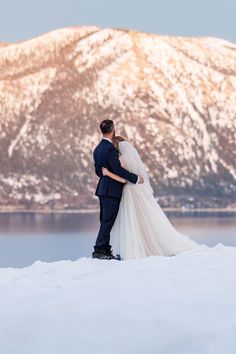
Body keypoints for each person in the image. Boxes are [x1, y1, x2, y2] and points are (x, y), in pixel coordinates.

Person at [102, 136, 201, 260]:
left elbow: (123, 179)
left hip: (129, 192)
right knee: (141, 221)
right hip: (136, 190)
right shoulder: (131, 159)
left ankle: (136, 248)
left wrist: (108, 173)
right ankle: (147, 244)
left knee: (132, 221)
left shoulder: (120, 159)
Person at [92, 120, 144, 260]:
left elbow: (99, 172)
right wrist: (136, 178)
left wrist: (107, 173)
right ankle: (99, 250)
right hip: (111, 190)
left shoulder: (97, 149)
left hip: (103, 189)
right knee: (108, 221)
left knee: (106, 220)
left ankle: (105, 249)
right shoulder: (109, 149)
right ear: (113, 130)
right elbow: (118, 170)